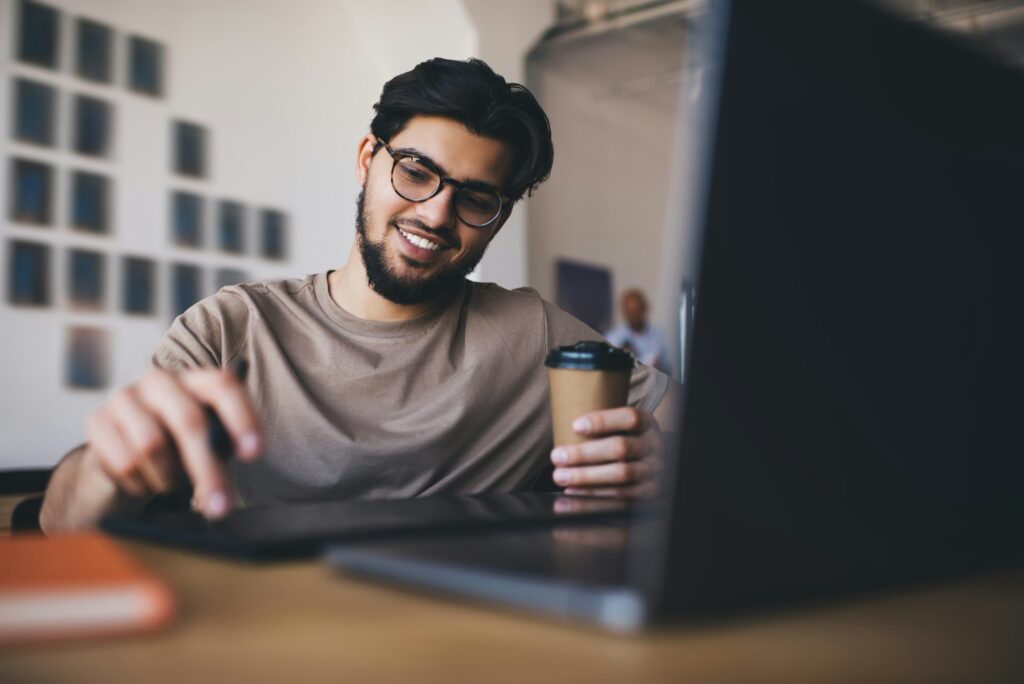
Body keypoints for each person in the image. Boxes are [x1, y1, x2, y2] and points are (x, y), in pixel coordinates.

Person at [40, 58, 676, 533]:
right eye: (416, 172)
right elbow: (59, 525)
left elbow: (701, 435)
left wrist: (667, 464)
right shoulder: (232, 328)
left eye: (476, 198)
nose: (434, 213)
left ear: (500, 216)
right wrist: (104, 469)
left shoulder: (534, 335)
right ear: (368, 157)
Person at [605, 289, 673, 374]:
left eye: (637, 310)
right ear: (624, 311)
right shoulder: (613, 338)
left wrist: (659, 368)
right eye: (630, 311)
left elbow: (669, 368)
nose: (634, 315)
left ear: (644, 308)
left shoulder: (659, 336)